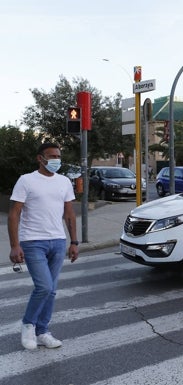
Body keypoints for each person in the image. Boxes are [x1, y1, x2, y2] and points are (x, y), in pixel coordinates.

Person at [8, 142, 79, 350]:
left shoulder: (64, 181)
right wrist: (15, 245)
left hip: (57, 241)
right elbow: (14, 214)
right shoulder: (26, 180)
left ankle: (43, 331)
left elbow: (69, 213)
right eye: (52, 156)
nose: (56, 160)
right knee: (44, 287)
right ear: (40, 158)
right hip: (32, 242)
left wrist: (74, 242)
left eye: (58, 156)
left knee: (52, 290)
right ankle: (28, 324)